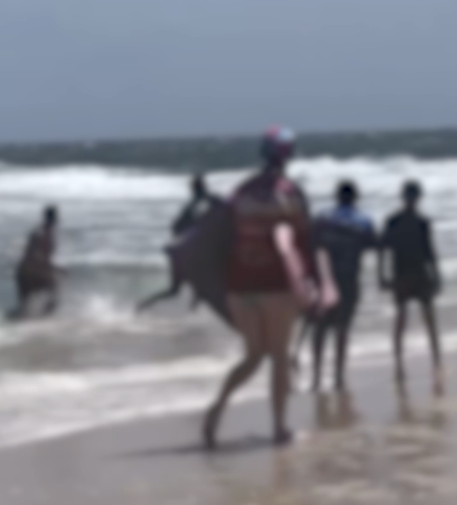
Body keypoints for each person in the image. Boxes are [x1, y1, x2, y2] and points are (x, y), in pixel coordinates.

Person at [202, 127, 338, 449]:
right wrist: (318, 284)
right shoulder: (290, 193)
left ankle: (218, 407)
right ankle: (278, 428)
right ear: (288, 155)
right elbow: (305, 243)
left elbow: (221, 238)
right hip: (277, 286)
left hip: (239, 286)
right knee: (278, 355)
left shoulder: (240, 192)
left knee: (252, 356)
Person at [307, 180, 378, 392]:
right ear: (355, 198)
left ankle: (316, 377)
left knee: (319, 329)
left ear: (336, 197)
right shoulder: (363, 221)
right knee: (342, 329)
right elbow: (374, 244)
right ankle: (338, 376)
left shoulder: (322, 219)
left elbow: (310, 244)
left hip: (324, 280)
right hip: (349, 280)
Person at [378, 180, 443, 391]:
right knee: (412, 320)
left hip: (407, 275)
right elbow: (429, 253)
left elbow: (383, 250)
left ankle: (423, 363)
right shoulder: (413, 222)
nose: (412, 201)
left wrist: (382, 276)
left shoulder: (396, 221)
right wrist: (437, 275)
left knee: (414, 320)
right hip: (412, 275)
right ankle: (419, 363)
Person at [138, 173, 219, 310]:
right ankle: (144, 306)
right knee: (197, 288)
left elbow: (175, 227)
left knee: (182, 290)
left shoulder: (199, 204)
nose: (203, 188)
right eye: (201, 186)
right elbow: (177, 227)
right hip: (187, 253)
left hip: (182, 252)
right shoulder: (200, 205)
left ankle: (143, 306)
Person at [11, 205, 61, 319]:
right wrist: (52, 268)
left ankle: (25, 321)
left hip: (22, 270)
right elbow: (41, 255)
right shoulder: (46, 232)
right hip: (34, 271)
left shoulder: (38, 229)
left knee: (24, 305)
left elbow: (31, 252)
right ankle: (45, 319)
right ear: (55, 218)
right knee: (54, 292)